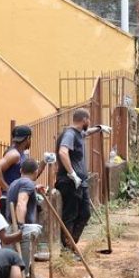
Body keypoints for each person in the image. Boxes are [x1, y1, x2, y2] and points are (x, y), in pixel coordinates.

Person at [56, 107, 92, 251]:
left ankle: (71, 245)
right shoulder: (69, 134)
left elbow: (86, 132)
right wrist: (72, 174)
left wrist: (99, 128)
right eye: (89, 120)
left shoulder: (78, 133)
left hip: (80, 183)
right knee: (70, 216)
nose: (89, 122)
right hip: (70, 182)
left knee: (85, 213)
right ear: (84, 120)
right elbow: (63, 152)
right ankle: (67, 249)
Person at [5, 157, 42, 272]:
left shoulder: (14, 183)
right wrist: (21, 228)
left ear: (21, 170)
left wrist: (35, 190)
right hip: (21, 231)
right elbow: (21, 203)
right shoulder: (28, 184)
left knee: (12, 268)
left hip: (11, 228)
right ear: (36, 172)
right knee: (21, 270)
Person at [0, 125, 32, 214]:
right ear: (28, 138)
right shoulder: (14, 154)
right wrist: (8, 189)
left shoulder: (21, 154)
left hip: (16, 200)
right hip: (10, 201)